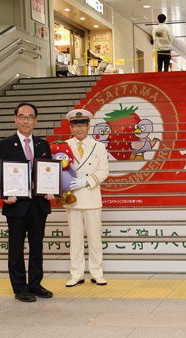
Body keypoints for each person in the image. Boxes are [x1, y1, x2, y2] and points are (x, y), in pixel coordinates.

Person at [0, 102, 54, 302]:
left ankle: (35, 284)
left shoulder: (43, 144)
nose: (26, 120)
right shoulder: (3, 144)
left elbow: (48, 172)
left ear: (36, 120)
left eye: (30, 117)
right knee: (16, 248)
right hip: (16, 205)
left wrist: (50, 189)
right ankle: (20, 288)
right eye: (22, 116)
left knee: (37, 247)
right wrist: (6, 193)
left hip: (39, 204)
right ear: (15, 119)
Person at [63, 109, 109, 287]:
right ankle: (76, 273)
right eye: (76, 125)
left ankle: (97, 272)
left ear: (89, 126)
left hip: (91, 196)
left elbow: (104, 171)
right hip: (72, 197)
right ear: (71, 127)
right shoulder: (64, 145)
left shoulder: (99, 146)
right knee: (75, 239)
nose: (79, 128)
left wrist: (86, 181)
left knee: (95, 238)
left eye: (82, 125)